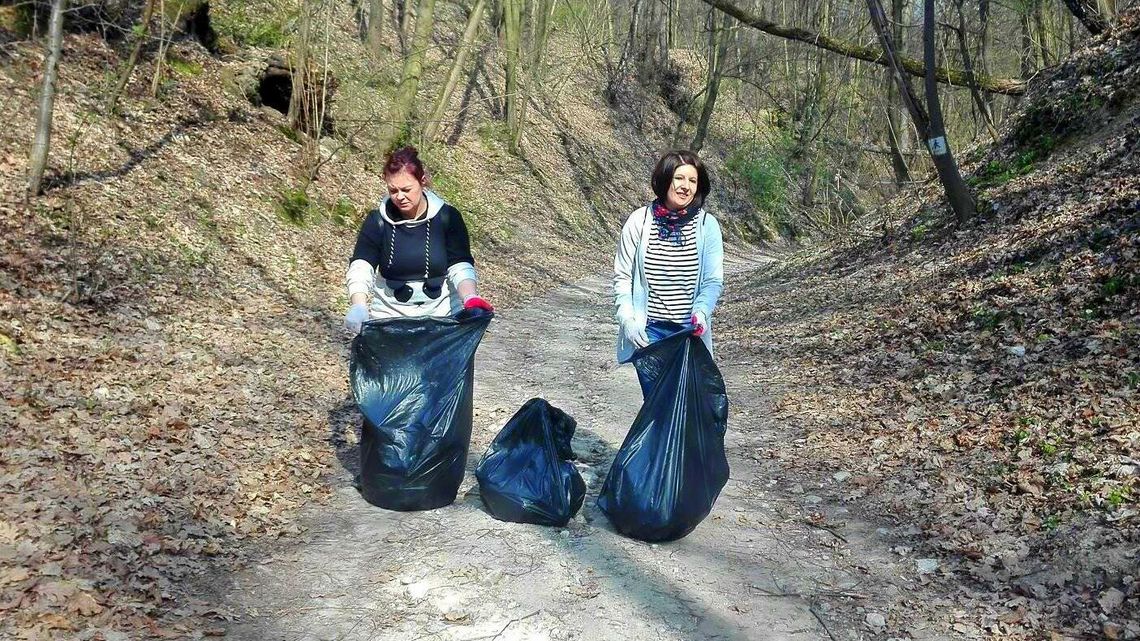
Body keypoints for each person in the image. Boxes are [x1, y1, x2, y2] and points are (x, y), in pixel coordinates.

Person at [344, 147, 493, 333]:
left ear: (422, 182)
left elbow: (460, 264)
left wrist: (470, 297)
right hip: (390, 324)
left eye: (406, 189)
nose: (399, 196)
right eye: (393, 190)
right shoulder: (377, 222)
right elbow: (361, 266)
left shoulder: (447, 218)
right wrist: (358, 305)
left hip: (443, 321)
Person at [613, 149, 723, 369]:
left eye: (693, 180)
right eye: (679, 178)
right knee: (658, 402)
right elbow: (622, 277)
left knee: (685, 403)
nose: (686, 186)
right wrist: (628, 322)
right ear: (665, 180)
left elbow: (712, 281)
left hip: (689, 335)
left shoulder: (707, 226)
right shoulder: (639, 221)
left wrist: (701, 312)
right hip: (649, 335)